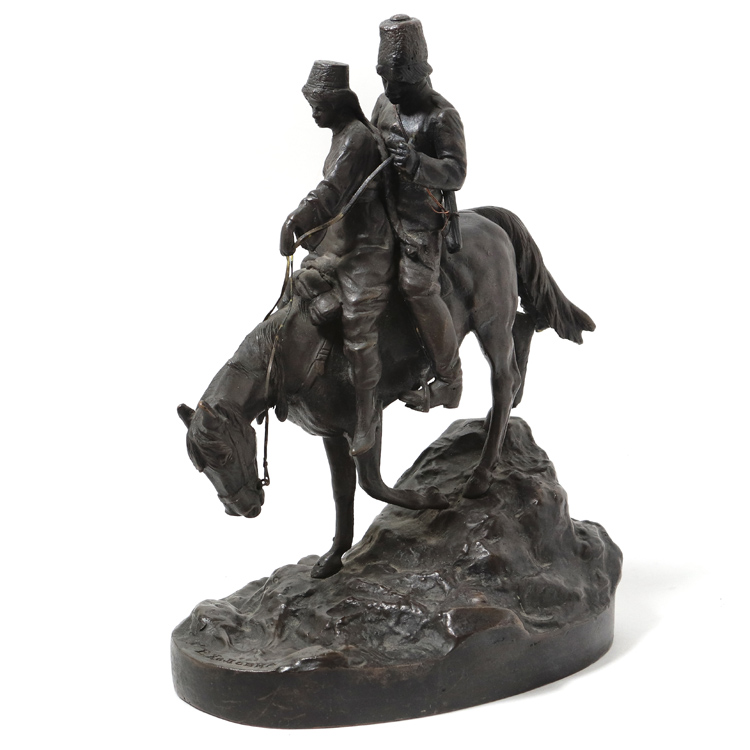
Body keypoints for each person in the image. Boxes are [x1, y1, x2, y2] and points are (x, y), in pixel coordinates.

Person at [280, 60, 395, 456]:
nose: (314, 113)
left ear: (338, 102)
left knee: (358, 321)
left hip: (369, 245)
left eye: (319, 105)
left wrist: (297, 218)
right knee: (297, 290)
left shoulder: (357, 139)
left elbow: (330, 191)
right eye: (311, 105)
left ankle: (365, 416)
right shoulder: (342, 135)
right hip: (342, 240)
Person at [371, 15, 467, 411]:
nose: (390, 90)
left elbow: (456, 173)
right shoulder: (384, 105)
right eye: (385, 80)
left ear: (417, 74)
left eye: (398, 82)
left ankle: (450, 380)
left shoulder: (440, 116)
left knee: (417, 287)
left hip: (419, 223)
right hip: (380, 213)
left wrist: (415, 162)